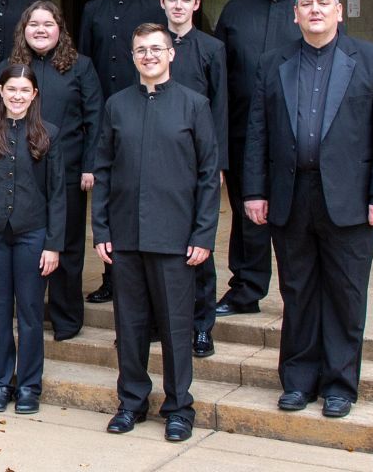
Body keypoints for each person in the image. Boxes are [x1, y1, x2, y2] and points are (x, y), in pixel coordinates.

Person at [244, 0, 373, 420]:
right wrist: (254, 191)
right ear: (295, 14)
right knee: (298, 291)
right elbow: (257, 131)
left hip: (351, 200)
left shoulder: (372, 60)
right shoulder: (273, 63)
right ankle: (297, 381)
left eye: (323, 3)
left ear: (339, 11)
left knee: (346, 295)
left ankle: (338, 385)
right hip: (290, 196)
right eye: (306, 4)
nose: (314, 10)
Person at [93, 23, 219, 443]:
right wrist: (101, 229)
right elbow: (104, 171)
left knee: (176, 327)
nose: (148, 55)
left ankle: (179, 407)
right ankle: (131, 402)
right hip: (125, 237)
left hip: (176, 238)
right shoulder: (117, 105)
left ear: (171, 54)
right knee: (128, 326)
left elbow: (207, 178)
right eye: (140, 50)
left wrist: (203, 235)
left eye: (155, 49)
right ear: (133, 58)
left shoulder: (194, 105)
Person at [0, 65, 64, 415]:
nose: (17, 96)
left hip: (32, 234)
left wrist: (53, 243)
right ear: (0, 91)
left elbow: (58, 194)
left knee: (31, 312)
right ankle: (0, 383)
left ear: (34, 95)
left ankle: (30, 384)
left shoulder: (48, 134)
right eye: (11, 89)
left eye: (24, 90)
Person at [0, 1, 102, 340]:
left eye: (48, 23)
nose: (40, 30)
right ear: (22, 30)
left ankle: (66, 318)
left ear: (60, 29)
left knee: (66, 246)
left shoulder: (81, 67)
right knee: (25, 244)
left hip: (66, 172)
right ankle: (28, 312)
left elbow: (95, 119)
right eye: (33, 24)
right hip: (18, 173)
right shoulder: (10, 68)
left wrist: (90, 166)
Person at [214, 0, 301, 317]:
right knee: (247, 214)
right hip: (241, 133)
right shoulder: (235, 12)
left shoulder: (311, 7)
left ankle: (299, 294)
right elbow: (218, 79)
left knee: (295, 216)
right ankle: (246, 289)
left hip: (296, 136)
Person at [78, 0, 166, 304]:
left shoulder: (154, 10)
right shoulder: (92, 10)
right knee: (109, 196)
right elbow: (83, 63)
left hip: (143, 111)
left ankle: (143, 276)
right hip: (103, 115)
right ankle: (111, 276)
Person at [159, 0, 228, 358]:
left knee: (199, 248)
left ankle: (202, 327)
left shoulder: (212, 49)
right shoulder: (149, 43)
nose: (179, 5)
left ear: (197, 4)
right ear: (162, 3)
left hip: (196, 163)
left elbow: (220, 108)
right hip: (154, 160)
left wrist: (215, 164)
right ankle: (156, 322)